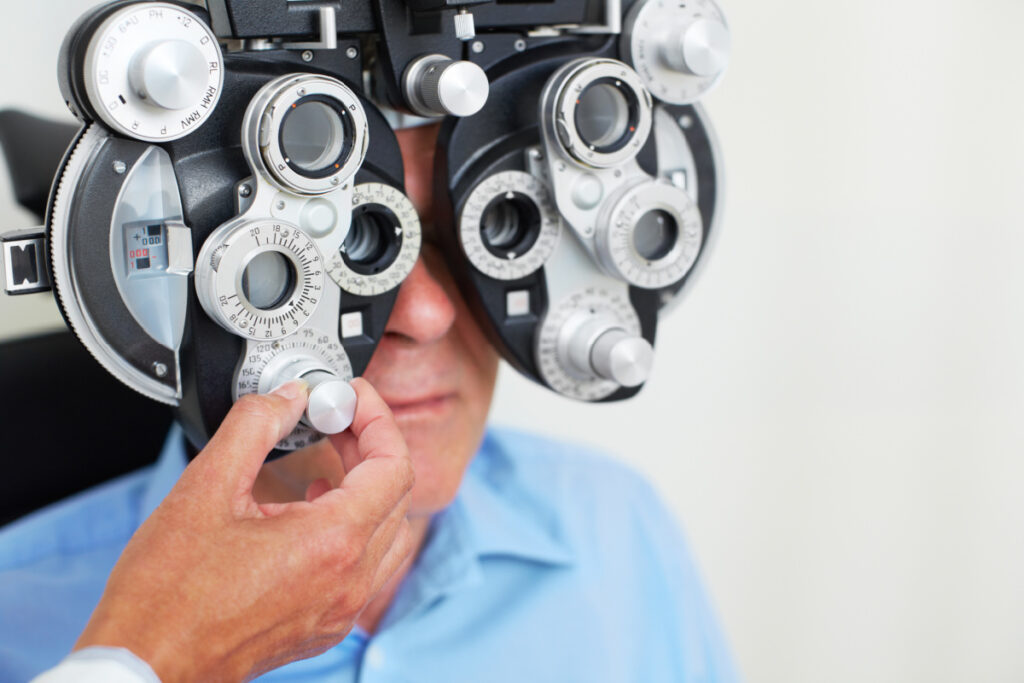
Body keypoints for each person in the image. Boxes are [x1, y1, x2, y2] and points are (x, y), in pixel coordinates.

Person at [0, 123, 739, 682]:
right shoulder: (18, 613)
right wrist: (153, 657)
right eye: (352, 243)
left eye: (487, 233)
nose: (426, 314)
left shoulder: (617, 529)